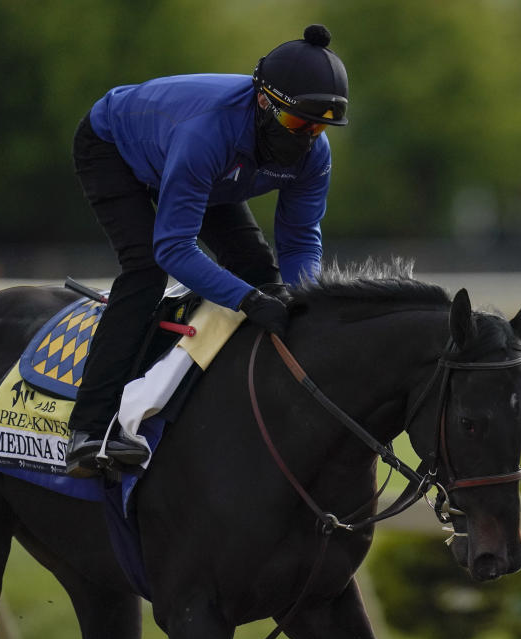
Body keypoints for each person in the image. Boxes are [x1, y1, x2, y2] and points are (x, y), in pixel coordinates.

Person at [64, 24, 348, 477]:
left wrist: (303, 303)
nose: (307, 138)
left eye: (319, 128)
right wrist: (248, 301)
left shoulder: (315, 153)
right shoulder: (207, 132)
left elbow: (299, 239)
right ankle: (88, 430)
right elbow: (174, 248)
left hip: (203, 167)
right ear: (263, 101)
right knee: (146, 270)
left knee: (262, 273)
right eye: (298, 123)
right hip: (114, 146)